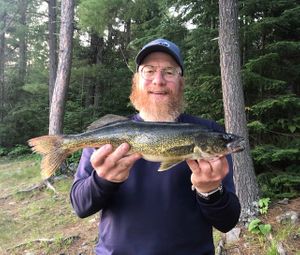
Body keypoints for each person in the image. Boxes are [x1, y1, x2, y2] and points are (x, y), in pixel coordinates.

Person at [70, 38, 241, 255]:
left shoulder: (208, 132)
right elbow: (80, 205)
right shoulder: (110, 133)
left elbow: (227, 222)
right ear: (135, 80)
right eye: (148, 71)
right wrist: (103, 181)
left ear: (181, 82)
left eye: (169, 72)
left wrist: (210, 192)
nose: (158, 80)